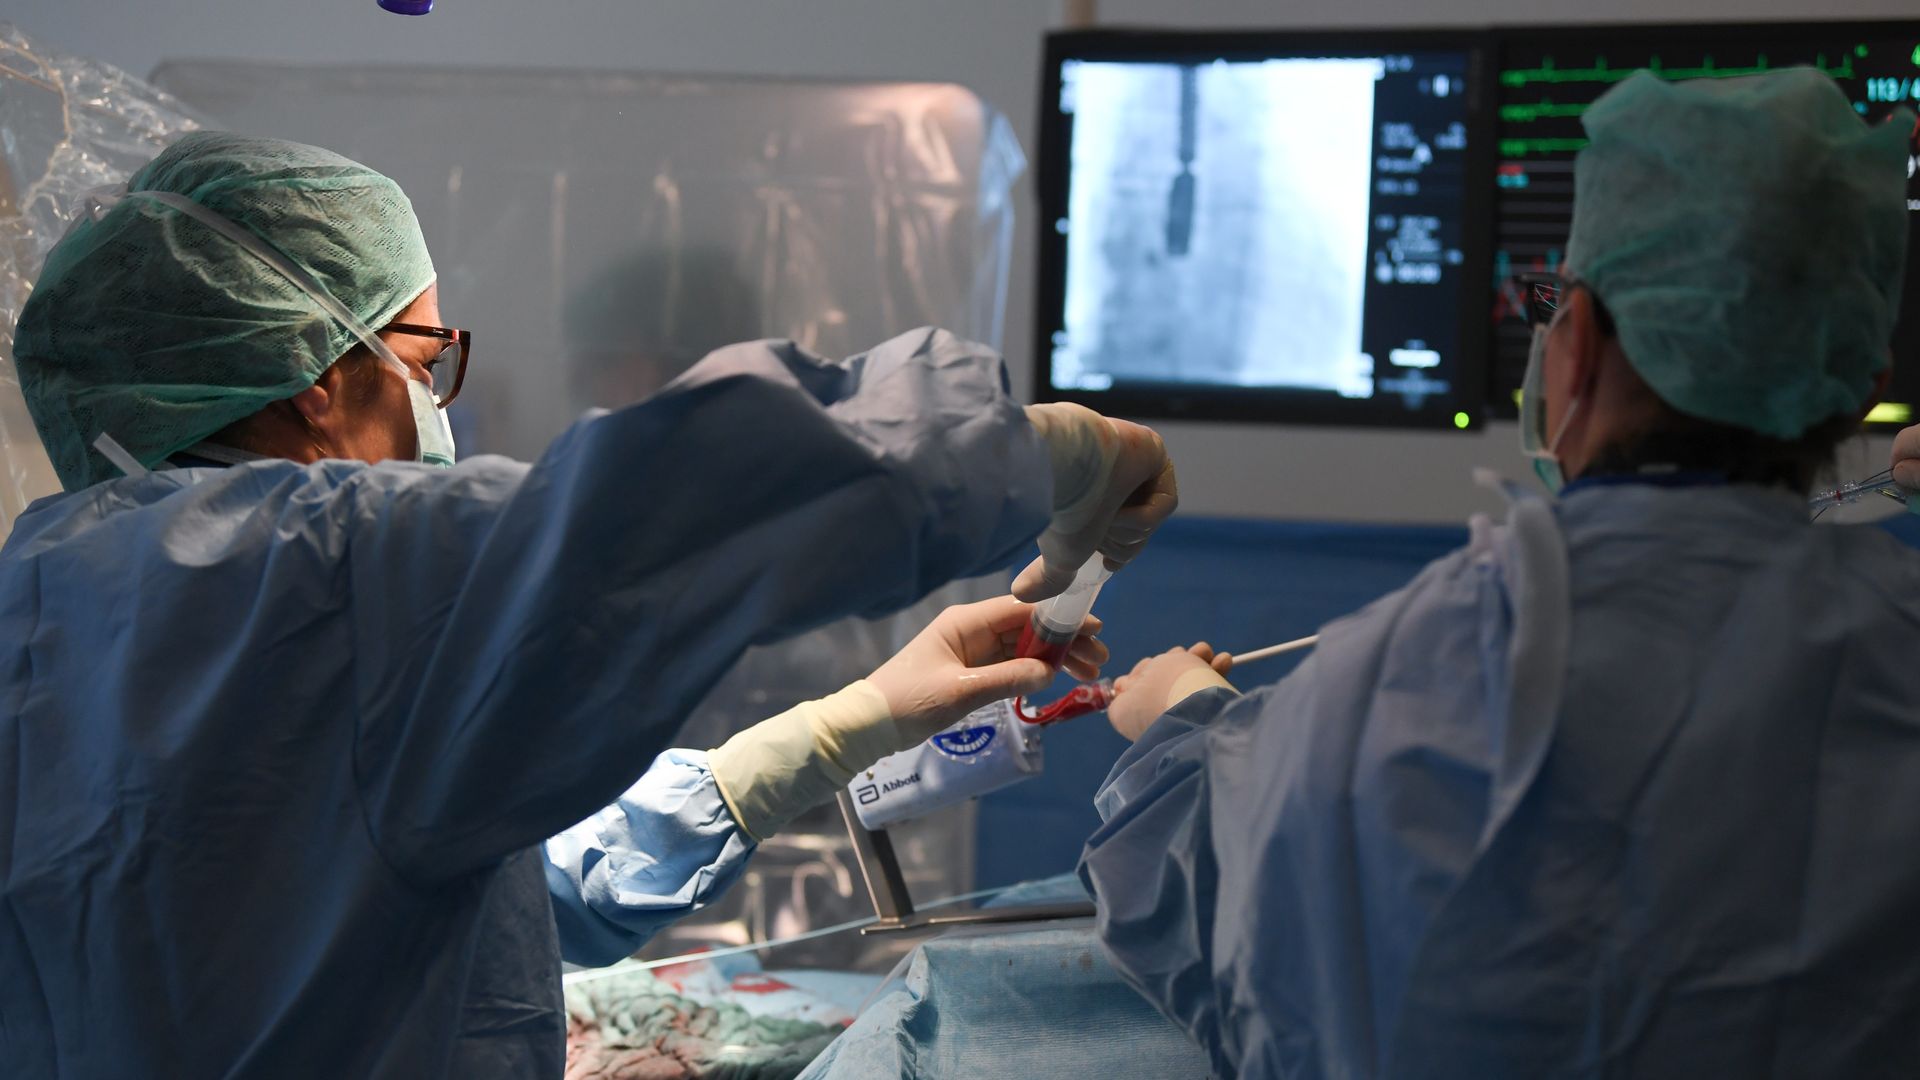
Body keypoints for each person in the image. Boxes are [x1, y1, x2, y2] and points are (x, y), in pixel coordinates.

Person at [0, 132, 1175, 1078]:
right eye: (424, 356)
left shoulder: (45, 598)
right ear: (319, 379)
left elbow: (406, 896)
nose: (433, 401)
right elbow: (710, 493)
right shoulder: (337, 569)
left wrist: (838, 729)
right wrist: (1064, 451)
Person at [1082, 69, 1920, 1079]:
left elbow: (1243, 962)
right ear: (1864, 388)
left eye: (1553, 306)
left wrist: (1185, 736)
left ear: (1578, 346)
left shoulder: (1415, 667)